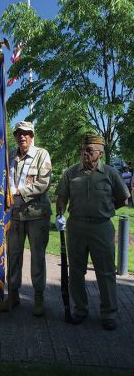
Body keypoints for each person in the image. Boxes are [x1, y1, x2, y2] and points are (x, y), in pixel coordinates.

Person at [55, 134, 130, 330]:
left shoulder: (110, 173)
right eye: (83, 149)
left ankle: (109, 313)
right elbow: (62, 196)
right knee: (76, 271)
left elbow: (124, 198)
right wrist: (60, 214)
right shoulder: (71, 173)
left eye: (89, 150)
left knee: (105, 272)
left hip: (101, 227)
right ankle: (80, 309)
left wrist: (108, 210)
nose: (85, 153)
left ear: (100, 153)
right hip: (76, 226)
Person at [2, 121, 52, 316]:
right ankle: (13, 295)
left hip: (36, 215)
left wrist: (19, 192)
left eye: (26, 133)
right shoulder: (9, 157)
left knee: (38, 257)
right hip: (14, 215)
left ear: (32, 136)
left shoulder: (41, 154)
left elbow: (43, 183)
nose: (22, 136)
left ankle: (38, 297)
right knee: (14, 256)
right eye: (18, 133)